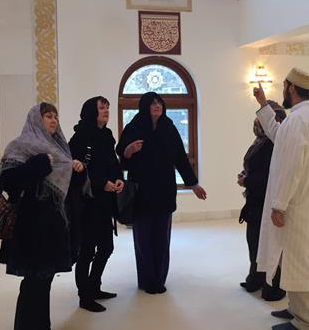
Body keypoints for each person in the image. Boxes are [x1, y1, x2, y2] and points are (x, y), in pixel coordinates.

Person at [0, 102, 85, 330]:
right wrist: (38, 164)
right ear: (36, 119)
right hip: (31, 227)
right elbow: (8, 183)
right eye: (48, 116)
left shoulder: (60, 148)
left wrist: (78, 170)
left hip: (53, 225)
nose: (53, 120)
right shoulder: (19, 147)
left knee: (45, 279)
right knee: (33, 283)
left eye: (55, 116)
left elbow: (67, 189)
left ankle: (41, 328)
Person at [252, 68, 309, 330]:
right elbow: (277, 133)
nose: (282, 91)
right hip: (301, 200)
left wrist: (279, 204)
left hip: (295, 203)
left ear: (291, 88)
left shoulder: (299, 120)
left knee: (297, 257)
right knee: (293, 255)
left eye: (284, 87)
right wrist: (263, 104)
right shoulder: (306, 117)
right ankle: (295, 308)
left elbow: (292, 166)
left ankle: (303, 319)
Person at [116, 92, 207, 294]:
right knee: (143, 239)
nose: (157, 105)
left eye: (159, 102)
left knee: (161, 239)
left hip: (164, 191)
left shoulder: (169, 128)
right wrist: (128, 151)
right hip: (142, 192)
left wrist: (193, 184)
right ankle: (147, 280)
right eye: (152, 103)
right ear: (145, 106)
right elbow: (121, 157)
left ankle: (159, 280)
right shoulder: (134, 127)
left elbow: (180, 160)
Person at [68, 96, 124, 312]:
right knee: (87, 250)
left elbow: (113, 163)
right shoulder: (80, 137)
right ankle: (85, 296)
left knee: (107, 247)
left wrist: (119, 178)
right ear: (91, 111)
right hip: (88, 203)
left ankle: (94, 286)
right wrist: (102, 184)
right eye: (102, 107)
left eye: (108, 107)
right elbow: (78, 169)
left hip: (105, 201)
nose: (106, 110)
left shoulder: (107, 135)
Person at [238, 100, 286, 301]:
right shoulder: (260, 141)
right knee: (255, 242)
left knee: (268, 245)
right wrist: (246, 177)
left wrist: (247, 180)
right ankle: (255, 279)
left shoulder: (274, 144)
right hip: (255, 201)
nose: (257, 122)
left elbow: (270, 176)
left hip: (268, 201)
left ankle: (273, 286)